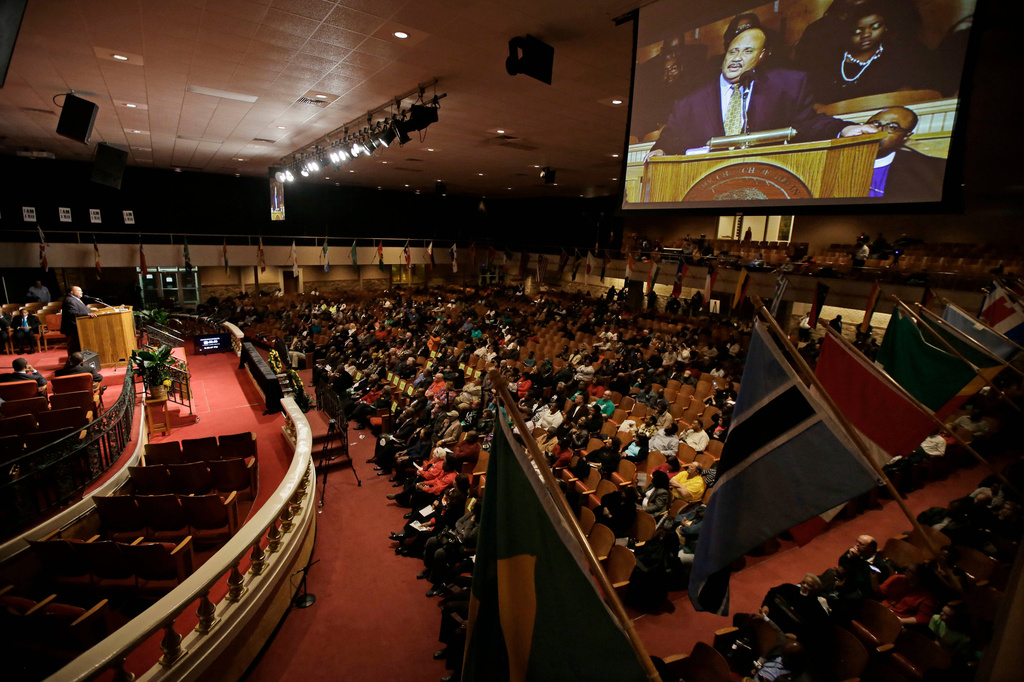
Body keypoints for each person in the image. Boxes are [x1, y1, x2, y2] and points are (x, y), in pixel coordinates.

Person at [649, 27, 875, 156]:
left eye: (747, 51)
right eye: (732, 51)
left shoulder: (787, 85)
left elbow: (807, 124)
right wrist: (659, 150)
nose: (736, 58)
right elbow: (671, 137)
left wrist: (844, 129)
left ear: (762, 56)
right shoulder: (691, 100)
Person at [865, 106, 946, 202]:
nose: (877, 131)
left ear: (906, 137)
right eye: (875, 124)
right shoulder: (844, 159)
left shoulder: (933, 171)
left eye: (892, 127)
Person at [61, 286, 97, 355]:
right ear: (71, 292)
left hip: (77, 327)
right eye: (78, 291)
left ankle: (75, 362)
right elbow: (72, 313)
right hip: (72, 328)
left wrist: (89, 310)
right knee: (73, 348)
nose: (81, 292)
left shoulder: (75, 299)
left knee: (76, 348)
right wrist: (87, 313)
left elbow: (80, 310)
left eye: (81, 291)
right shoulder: (70, 300)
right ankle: (72, 363)